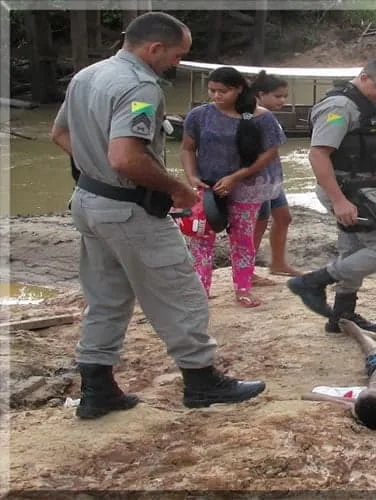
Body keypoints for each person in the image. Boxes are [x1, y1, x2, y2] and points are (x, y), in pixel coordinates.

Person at [49, 12, 266, 419]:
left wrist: (95, 171)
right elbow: (125, 157)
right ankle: (201, 382)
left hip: (88, 203)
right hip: (130, 210)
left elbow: (60, 133)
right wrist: (178, 189)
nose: (179, 63)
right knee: (182, 293)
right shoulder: (140, 87)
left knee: (105, 298)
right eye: (178, 55)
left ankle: (97, 391)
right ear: (154, 48)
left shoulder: (87, 75)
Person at [286, 58, 376, 334]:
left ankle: (341, 316)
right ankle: (313, 282)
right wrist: (339, 200)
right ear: (364, 77)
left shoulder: (368, 103)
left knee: (352, 250)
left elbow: (367, 146)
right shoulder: (339, 107)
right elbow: (318, 154)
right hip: (346, 191)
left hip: (362, 188)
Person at [180, 66, 284, 308]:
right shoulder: (199, 115)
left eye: (223, 91)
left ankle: (243, 288)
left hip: (247, 186)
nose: (217, 96)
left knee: (242, 238)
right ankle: (200, 290)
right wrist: (191, 176)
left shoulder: (262, 117)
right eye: (212, 90)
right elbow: (187, 148)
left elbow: (269, 153)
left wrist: (237, 177)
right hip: (207, 185)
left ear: (239, 89)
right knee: (201, 239)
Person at [250, 71, 303, 282]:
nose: (282, 101)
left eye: (284, 97)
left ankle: (278, 263)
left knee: (283, 217)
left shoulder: (264, 115)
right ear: (261, 94)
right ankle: (247, 269)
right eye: (278, 96)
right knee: (258, 224)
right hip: (259, 179)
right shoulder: (256, 115)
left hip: (272, 178)